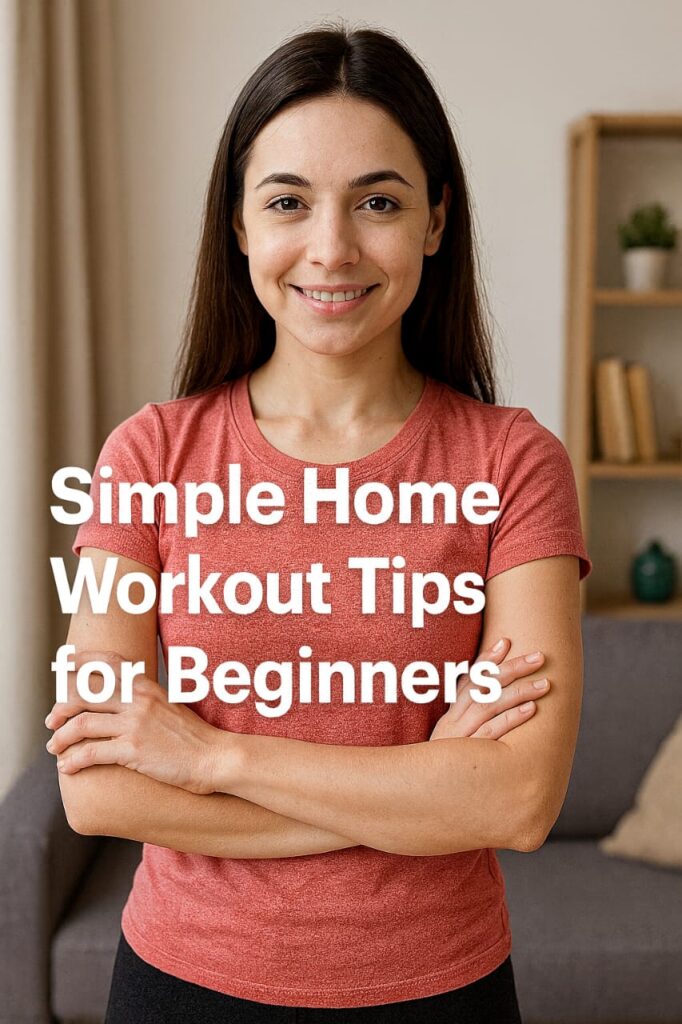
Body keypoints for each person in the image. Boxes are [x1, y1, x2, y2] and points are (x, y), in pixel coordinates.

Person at [45, 21, 592, 1024]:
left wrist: (215, 757)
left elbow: (516, 800)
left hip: (437, 989)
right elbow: (98, 792)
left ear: (434, 218)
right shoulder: (146, 458)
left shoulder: (514, 464)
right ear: (241, 226)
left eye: (377, 201)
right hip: (182, 985)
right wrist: (419, 793)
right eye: (288, 201)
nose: (331, 248)